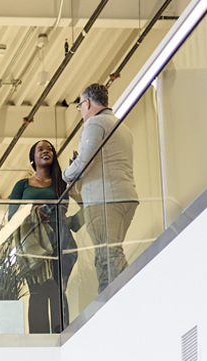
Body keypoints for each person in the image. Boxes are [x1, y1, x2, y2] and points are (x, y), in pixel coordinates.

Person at [63, 83, 139, 291]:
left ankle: (130, 293)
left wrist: (65, 176)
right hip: (126, 196)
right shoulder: (121, 126)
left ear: (86, 103)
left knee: (107, 254)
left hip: (104, 199)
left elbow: (84, 162)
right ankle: (108, 299)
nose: (81, 113)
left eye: (80, 107)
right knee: (108, 253)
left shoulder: (94, 124)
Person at [9, 139, 77, 333]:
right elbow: (11, 216)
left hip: (59, 240)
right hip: (33, 245)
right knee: (37, 291)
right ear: (33, 158)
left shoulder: (61, 183)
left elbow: (74, 204)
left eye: (49, 149)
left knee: (57, 289)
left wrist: (75, 178)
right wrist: (32, 213)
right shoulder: (22, 185)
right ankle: (38, 339)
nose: (46, 151)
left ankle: (62, 335)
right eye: (40, 149)